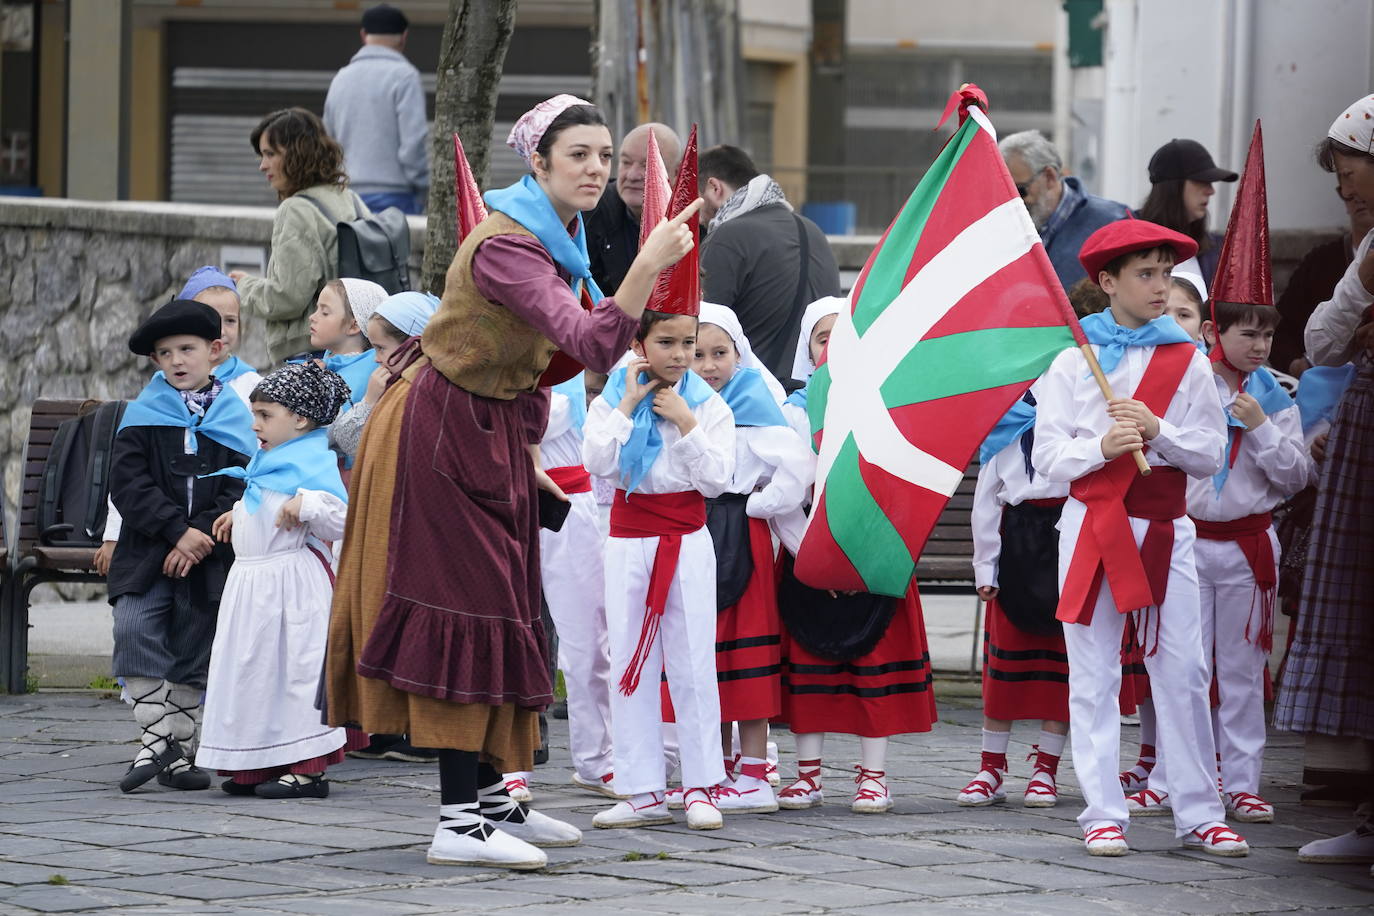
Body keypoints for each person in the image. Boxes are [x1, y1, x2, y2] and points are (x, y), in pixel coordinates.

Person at [326, 94, 701, 870]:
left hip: (491, 430)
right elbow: (593, 346)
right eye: (580, 156)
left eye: (604, 156)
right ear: (538, 163)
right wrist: (648, 264)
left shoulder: (550, 239)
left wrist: (527, 456)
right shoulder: (507, 246)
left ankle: (496, 798)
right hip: (440, 436)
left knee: (509, 607)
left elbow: (544, 365)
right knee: (463, 610)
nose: (598, 169)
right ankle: (457, 823)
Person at [1032, 218, 1251, 858]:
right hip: (1091, 525)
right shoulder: (1073, 361)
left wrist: (1159, 431)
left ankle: (1198, 810)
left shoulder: (1186, 360)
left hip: (1163, 529)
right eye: (1146, 275)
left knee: (1183, 668)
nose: (1162, 287)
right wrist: (1099, 446)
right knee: (1093, 672)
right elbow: (1046, 457)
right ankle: (1103, 809)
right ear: (1107, 282)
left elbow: (1211, 455)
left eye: (1167, 273)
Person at [773, 299, 938, 816]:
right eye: (823, 338)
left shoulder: (887, 407)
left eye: (845, 336)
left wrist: (861, 553)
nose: (834, 347)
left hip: (875, 556)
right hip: (808, 558)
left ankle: (874, 777)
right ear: (808, 350)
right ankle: (808, 775)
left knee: (874, 670)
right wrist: (815, 555)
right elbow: (782, 495)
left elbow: (900, 489)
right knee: (809, 668)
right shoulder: (793, 413)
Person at [583, 308, 735, 832]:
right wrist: (628, 402)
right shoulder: (613, 398)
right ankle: (641, 786)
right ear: (640, 343)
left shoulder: (707, 404)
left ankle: (700, 784)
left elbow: (718, 480)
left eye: (687, 343)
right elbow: (597, 462)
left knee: (693, 661)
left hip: (686, 539)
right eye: (665, 342)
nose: (678, 355)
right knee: (628, 658)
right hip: (628, 538)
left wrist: (686, 422)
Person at [661, 303, 809, 815]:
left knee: (744, 655)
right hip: (687, 528)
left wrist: (758, 506)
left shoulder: (752, 400)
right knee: (700, 652)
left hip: (738, 534)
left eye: (719, 353)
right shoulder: (674, 402)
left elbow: (794, 469)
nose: (708, 365)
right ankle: (709, 767)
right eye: (696, 353)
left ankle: (753, 772)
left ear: (738, 353)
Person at [1278, 94, 1374, 871]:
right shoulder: (1361, 244)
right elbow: (1324, 341)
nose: (1346, 191)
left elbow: (1328, 338)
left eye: (1352, 175)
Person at [106, 300, 256, 793]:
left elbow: (242, 484)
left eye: (187, 349)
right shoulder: (142, 415)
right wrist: (176, 532)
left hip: (209, 556)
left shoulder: (236, 417)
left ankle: (178, 753)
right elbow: (129, 485)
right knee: (134, 625)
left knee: (195, 642)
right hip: (148, 550)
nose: (176, 361)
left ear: (214, 351)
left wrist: (201, 539)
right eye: (164, 353)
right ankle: (157, 739)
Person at [196, 363, 359, 798]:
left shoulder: (311, 465)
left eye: (266, 415)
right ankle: (257, 761)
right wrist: (241, 514)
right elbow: (266, 500)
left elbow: (345, 518)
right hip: (251, 587)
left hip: (292, 589)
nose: (255, 425)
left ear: (300, 419)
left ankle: (307, 767)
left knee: (294, 673)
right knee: (253, 671)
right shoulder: (269, 460)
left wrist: (308, 505)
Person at [94, 267, 262, 578]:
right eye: (210, 317)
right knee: (135, 623)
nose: (221, 330)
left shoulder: (250, 387)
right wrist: (113, 533)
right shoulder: (158, 395)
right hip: (155, 532)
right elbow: (128, 474)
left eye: (230, 320)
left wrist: (202, 532)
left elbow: (249, 471)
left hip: (217, 535)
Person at [503, 371, 619, 805]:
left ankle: (596, 758)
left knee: (588, 641)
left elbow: (534, 419)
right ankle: (508, 762)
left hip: (570, 504)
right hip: (505, 503)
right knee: (512, 637)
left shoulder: (565, 379)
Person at [959, 387, 1070, 809]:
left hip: (1065, 543)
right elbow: (986, 504)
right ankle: (991, 767)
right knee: (1005, 671)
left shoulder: (1079, 426)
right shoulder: (1004, 430)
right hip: (1018, 547)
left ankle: (1046, 768)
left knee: (1061, 669)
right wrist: (985, 567)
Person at [231, 108, 369, 365]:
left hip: (309, 355)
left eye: (270, 154)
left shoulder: (296, 210)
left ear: (297, 154)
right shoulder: (350, 199)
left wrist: (243, 287)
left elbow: (287, 298)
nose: (262, 166)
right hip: (355, 350)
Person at [698, 145, 841, 381]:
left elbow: (700, 326)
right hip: (812, 393)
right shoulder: (812, 231)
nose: (699, 217)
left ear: (714, 188)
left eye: (696, 200)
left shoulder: (726, 237)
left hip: (754, 401)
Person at [323, 3, 429, 214]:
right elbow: (412, 143)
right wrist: (423, 186)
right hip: (396, 198)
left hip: (346, 196)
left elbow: (327, 141)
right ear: (404, 37)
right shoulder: (405, 77)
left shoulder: (341, 78)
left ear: (363, 35)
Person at [999, 130, 1130, 290]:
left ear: (1050, 176)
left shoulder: (1113, 222)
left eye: (1020, 190)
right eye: (1005, 193)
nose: (1013, 202)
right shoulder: (1002, 229)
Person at [1272, 187, 1374, 376]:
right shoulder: (1320, 261)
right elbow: (1284, 329)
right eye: (1349, 188)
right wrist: (1297, 366)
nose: (1359, 197)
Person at [328, 290, 439, 462]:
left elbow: (350, 443)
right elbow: (345, 440)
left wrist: (369, 402)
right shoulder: (389, 383)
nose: (376, 359)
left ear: (412, 347)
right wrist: (369, 401)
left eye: (381, 348)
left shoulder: (420, 392)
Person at [585, 123, 683, 294]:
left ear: (677, 173)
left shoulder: (696, 220)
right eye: (626, 162)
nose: (632, 175)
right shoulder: (589, 213)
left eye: (647, 165)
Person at [1138, 138, 1239, 286]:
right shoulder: (1128, 245)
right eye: (1202, 181)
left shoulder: (1216, 249)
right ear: (1173, 186)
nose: (1211, 191)